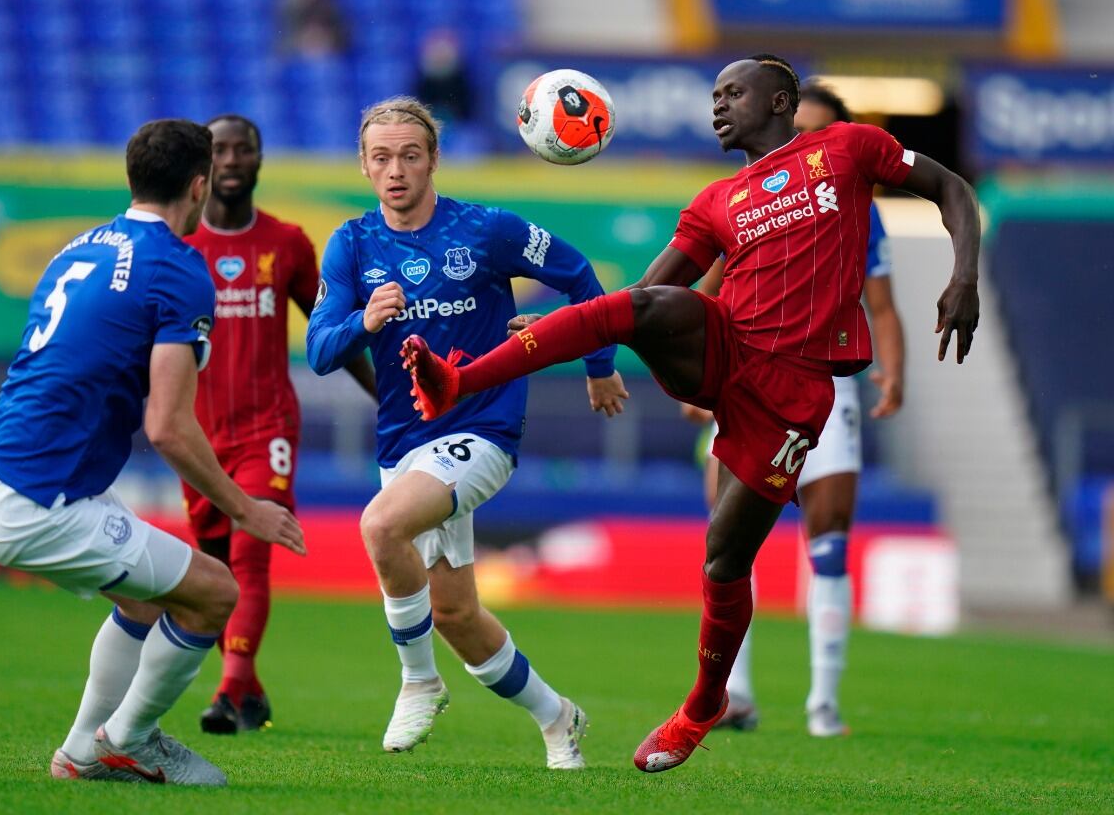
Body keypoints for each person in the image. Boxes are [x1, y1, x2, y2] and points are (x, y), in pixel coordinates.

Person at [403, 55, 980, 773]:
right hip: (726, 348)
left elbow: (949, 187)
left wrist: (962, 276)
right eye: (713, 95)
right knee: (646, 306)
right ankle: (460, 382)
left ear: (781, 100)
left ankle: (705, 704)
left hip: (794, 392)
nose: (718, 107)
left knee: (724, 557)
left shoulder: (848, 149)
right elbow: (643, 295)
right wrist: (590, 332)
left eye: (732, 93)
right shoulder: (715, 201)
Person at [0, 119, 306, 786]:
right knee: (213, 592)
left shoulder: (81, 244)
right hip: (37, 496)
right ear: (199, 185)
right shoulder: (178, 269)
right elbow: (169, 426)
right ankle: (128, 741)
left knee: (147, 599)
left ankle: (85, 748)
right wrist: (247, 510)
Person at [307, 97, 629, 769]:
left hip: (484, 429)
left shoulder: (486, 231)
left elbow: (580, 278)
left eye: (410, 155)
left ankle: (419, 681)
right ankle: (558, 716)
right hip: (405, 443)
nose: (395, 170)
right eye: (381, 157)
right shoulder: (352, 243)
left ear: (433, 159)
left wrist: (600, 367)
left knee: (379, 527)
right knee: (456, 615)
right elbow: (317, 350)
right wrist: (364, 324)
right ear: (365, 166)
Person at [683, 82, 907, 737]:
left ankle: (823, 704)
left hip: (825, 384)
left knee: (829, 542)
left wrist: (895, 368)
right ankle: (737, 695)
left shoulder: (857, 205)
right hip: (747, 386)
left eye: (819, 135)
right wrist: (701, 381)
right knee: (727, 547)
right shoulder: (745, 197)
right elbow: (709, 286)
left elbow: (883, 302)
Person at [184, 113, 375, 735]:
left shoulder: (288, 244)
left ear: (261, 160)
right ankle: (252, 689)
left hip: (267, 430)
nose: (233, 159)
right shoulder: (179, 249)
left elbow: (334, 336)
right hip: (199, 435)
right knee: (212, 571)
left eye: (245, 149)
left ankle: (228, 691)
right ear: (204, 164)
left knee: (249, 557)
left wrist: (389, 398)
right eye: (221, 150)